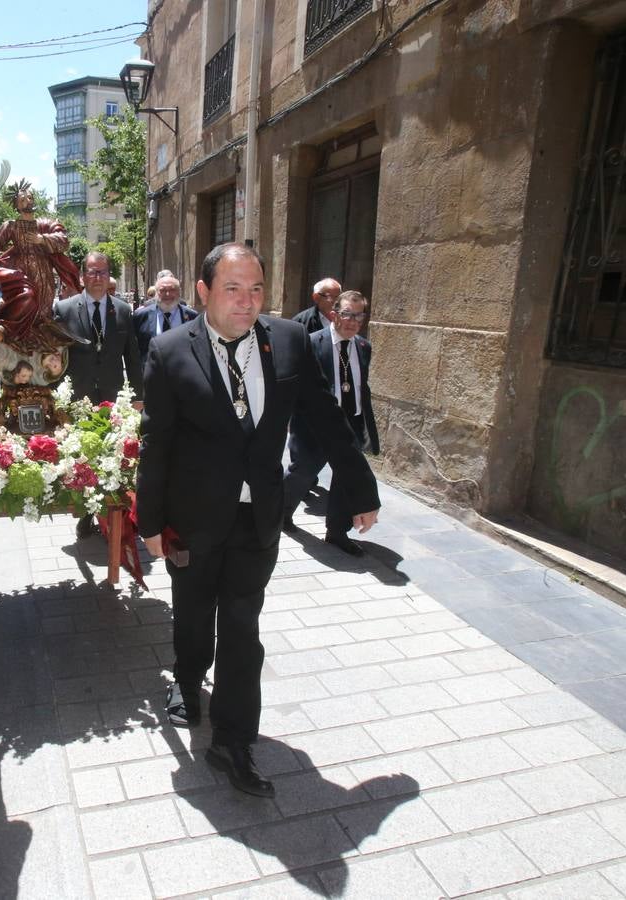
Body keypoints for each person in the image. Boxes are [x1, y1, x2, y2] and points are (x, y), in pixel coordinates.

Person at [136, 243, 379, 798]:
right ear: (203, 292)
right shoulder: (170, 350)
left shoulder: (289, 341)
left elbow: (326, 418)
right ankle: (189, 678)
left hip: (259, 517)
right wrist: (150, 520)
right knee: (194, 611)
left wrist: (360, 485)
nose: (247, 303)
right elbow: (157, 444)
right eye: (232, 290)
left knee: (243, 627)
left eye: (256, 290)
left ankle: (233, 740)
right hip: (192, 519)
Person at [53, 251, 145, 538]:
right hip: (78, 395)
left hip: (112, 395)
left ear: (109, 277)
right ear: (82, 276)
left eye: (103, 272)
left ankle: (111, 515)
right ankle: (84, 513)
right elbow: (55, 356)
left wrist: (138, 395)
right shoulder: (65, 309)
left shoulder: (122, 310)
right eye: (92, 272)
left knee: (112, 454)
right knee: (81, 456)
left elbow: (132, 354)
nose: (97, 277)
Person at [284, 290, 381, 553]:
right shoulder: (312, 343)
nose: (352, 321)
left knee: (345, 478)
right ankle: (281, 513)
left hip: (352, 423)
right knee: (302, 472)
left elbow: (360, 386)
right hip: (315, 426)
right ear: (334, 314)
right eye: (347, 314)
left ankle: (337, 532)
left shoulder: (363, 346)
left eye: (359, 316)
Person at [0, 179, 82, 350]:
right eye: (22, 200)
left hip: (44, 273)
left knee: (43, 310)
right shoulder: (11, 226)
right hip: (22, 274)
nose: (28, 201)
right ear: (17, 206)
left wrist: (42, 239)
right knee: (26, 297)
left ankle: (38, 339)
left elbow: (63, 241)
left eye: (29, 198)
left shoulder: (45, 224)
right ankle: (7, 329)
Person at [134, 272, 197, 362]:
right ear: (156, 293)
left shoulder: (192, 317)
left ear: (179, 292)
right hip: (151, 373)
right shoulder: (141, 317)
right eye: (162, 290)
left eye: (172, 290)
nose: (167, 294)